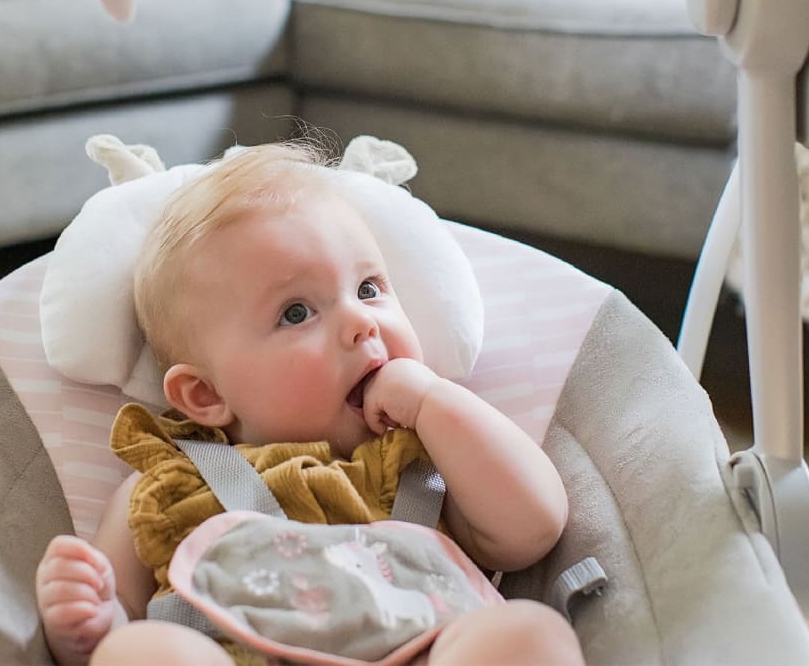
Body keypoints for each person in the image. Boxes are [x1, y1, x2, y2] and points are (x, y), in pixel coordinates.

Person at [36, 142, 585, 665]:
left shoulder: (429, 456)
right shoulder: (170, 484)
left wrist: (433, 400)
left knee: (526, 631)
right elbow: (125, 606)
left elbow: (531, 528)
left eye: (368, 288)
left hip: (423, 651)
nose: (361, 322)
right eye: (296, 313)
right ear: (207, 395)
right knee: (138, 651)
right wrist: (93, 620)